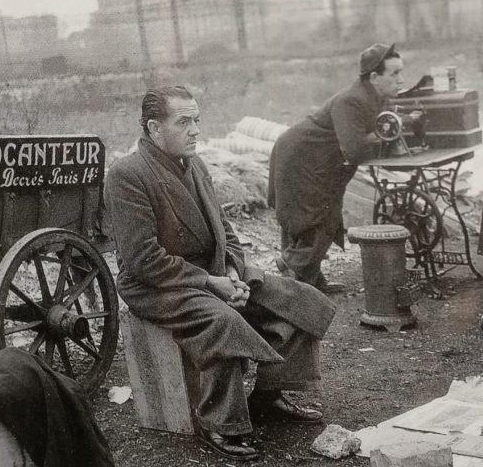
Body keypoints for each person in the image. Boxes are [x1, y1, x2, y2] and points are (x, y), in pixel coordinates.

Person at [104, 85, 335, 461]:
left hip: (214, 271)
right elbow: (142, 259)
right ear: (153, 128)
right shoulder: (127, 174)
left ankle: (267, 396)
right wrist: (212, 283)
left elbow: (223, 229)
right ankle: (220, 423)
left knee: (293, 298)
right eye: (184, 122)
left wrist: (232, 269)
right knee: (221, 320)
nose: (196, 130)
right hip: (156, 284)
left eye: (196, 119)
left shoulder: (194, 164)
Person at [268, 44, 404, 293]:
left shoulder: (376, 97)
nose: (400, 80)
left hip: (317, 161)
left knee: (321, 216)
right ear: (374, 77)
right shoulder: (352, 100)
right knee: (317, 219)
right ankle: (291, 268)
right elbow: (353, 150)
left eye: (400, 73)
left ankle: (309, 279)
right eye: (394, 74)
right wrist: (380, 136)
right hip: (300, 158)